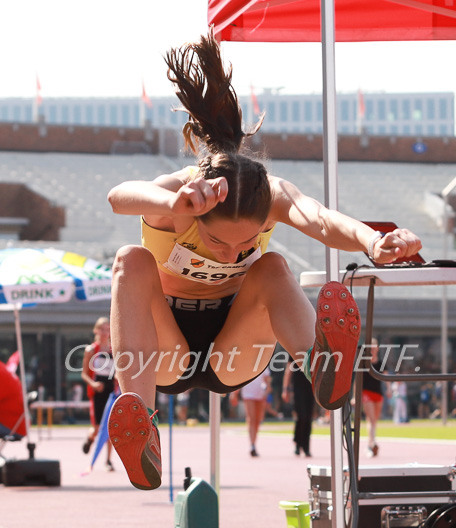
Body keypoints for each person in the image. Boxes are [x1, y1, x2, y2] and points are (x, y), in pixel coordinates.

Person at [106, 30, 422, 491]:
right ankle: (142, 429)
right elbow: (117, 197)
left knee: (270, 268)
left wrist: (374, 242)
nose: (231, 253)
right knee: (130, 260)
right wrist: (177, 204)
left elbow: (320, 218)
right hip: (163, 350)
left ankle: (319, 365)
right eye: (217, 242)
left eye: (244, 241)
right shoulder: (179, 196)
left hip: (236, 347)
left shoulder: (270, 196)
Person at [81, 317, 116, 471]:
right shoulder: (91, 350)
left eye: (108, 329)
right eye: (102, 329)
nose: (105, 332)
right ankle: (90, 439)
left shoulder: (114, 349)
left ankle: (108, 460)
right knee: (97, 428)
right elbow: (84, 374)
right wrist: (93, 384)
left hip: (111, 391)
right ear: (96, 330)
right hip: (97, 392)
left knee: (111, 427)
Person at [282, 357, 315, 457]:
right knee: (301, 416)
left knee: (309, 417)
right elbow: (289, 370)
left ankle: (306, 447)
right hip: (298, 388)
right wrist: (285, 389)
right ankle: (297, 443)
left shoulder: (315, 347)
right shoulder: (294, 348)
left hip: (311, 388)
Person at [237, 366, 271, 457]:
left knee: (257, 420)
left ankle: (254, 443)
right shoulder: (246, 361)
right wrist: (234, 393)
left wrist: (267, 392)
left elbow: (267, 380)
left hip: (260, 395)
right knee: (251, 418)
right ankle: (252, 445)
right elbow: (239, 378)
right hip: (248, 394)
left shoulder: (263, 361)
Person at [360, 339, 384, 458]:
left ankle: (370, 443)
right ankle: (372, 443)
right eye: (371, 348)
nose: (373, 350)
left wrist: (389, 389)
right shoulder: (363, 362)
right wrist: (355, 396)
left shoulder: (381, 362)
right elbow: (357, 381)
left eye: (375, 347)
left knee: (374, 421)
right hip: (366, 393)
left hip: (378, 393)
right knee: (371, 418)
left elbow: (386, 376)